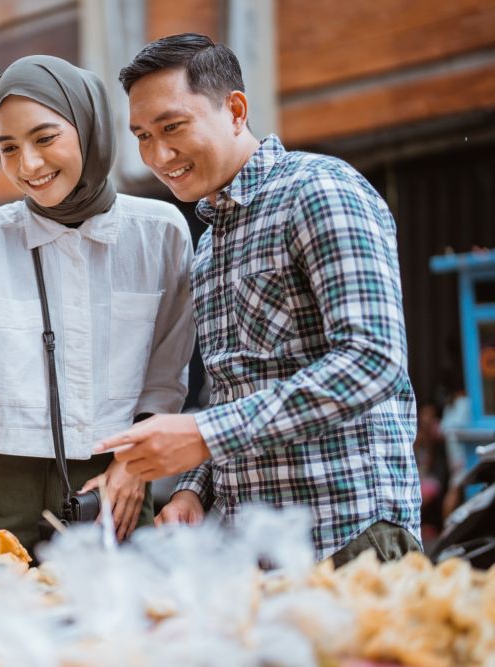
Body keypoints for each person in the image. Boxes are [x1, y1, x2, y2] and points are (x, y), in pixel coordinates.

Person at [97, 33, 421, 566]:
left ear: (236, 110)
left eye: (173, 127)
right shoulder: (210, 244)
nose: (158, 155)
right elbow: (234, 395)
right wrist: (192, 490)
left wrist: (202, 434)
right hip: (254, 553)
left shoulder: (320, 190)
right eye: (142, 136)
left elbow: (373, 361)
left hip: (351, 538)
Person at [0, 55, 195, 553]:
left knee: (117, 625)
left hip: (114, 477)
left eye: (45, 138)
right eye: (8, 148)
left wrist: (132, 466)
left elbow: (166, 371)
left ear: (89, 129)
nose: (29, 165)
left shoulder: (160, 232)